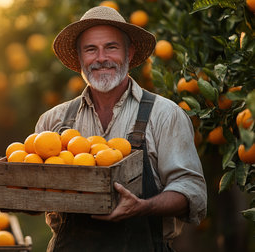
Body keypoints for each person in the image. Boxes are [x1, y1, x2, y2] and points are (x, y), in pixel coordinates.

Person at [34, 6, 207, 252]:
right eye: (91, 49)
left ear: (129, 52)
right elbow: (35, 188)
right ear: (79, 58)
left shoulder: (165, 115)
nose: (101, 57)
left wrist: (143, 207)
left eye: (111, 47)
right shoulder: (53, 122)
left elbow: (192, 190)